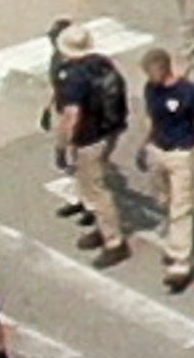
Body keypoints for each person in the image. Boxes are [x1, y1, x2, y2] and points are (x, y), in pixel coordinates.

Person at [48, 20, 135, 263]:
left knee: (95, 188)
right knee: (92, 182)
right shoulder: (101, 63)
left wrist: (61, 146)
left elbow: (71, 115)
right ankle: (103, 225)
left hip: (89, 137)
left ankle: (114, 241)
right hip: (110, 130)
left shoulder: (73, 76)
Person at [139, 48, 194, 292]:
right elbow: (151, 118)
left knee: (181, 207)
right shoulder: (151, 89)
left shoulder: (189, 92)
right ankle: (174, 242)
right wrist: (143, 146)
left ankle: (180, 261)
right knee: (163, 199)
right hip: (158, 150)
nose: (149, 77)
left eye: (151, 72)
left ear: (163, 68)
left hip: (182, 153)